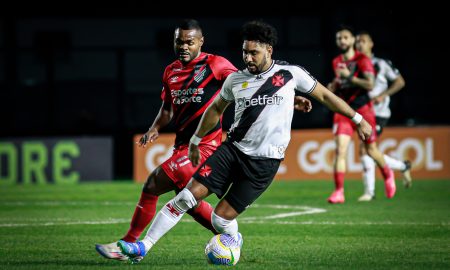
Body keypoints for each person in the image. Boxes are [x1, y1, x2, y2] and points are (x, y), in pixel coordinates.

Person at [116, 20, 374, 263]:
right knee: (186, 197)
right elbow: (215, 110)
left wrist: (357, 118)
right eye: (244, 52)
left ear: (268, 50)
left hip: (264, 163)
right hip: (232, 151)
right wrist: (195, 140)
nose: (248, 58)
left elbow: (326, 97)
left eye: (254, 53)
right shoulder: (235, 79)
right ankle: (143, 246)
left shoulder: (290, 74)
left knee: (220, 219)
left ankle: (232, 239)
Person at [95, 19, 238, 261]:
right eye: (179, 42)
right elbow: (167, 109)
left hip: (205, 147)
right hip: (182, 146)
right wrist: (154, 128)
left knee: (152, 185)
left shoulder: (215, 64)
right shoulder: (170, 71)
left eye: (189, 42)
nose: (184, 47)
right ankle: (231, 237)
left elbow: (241, 83)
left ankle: (129, 245)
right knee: (190, 202)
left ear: (201, 42)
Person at [326, 26, 396, 204]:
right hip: (344, 111)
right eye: (339, 38)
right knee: (340, 151)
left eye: (345, 37)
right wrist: (333, 87)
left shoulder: (362, 59)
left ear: (352, 41)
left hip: (364, 111)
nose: (342, 41)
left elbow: (370, 84)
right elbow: (341, 83)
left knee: (371, 150)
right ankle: (339, 192)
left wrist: (349, 77)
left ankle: (387, 173)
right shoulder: (336, 61)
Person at [355, 31, 411, 202]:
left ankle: (369, 192)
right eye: (357, 41)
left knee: (365, 149)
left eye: (363, 41)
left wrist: (384, 94)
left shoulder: (381, 63)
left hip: (378, 112)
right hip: (362, 111)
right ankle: (403, 166)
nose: (359, 44)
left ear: (371, 43)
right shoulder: (354, 65)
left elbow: (400, 81)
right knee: (369, 150)